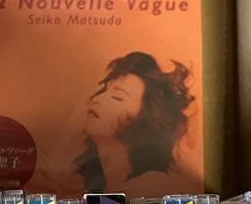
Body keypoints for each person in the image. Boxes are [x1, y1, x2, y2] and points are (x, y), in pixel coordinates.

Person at [75, 51, 195, 193]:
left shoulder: (156, 187)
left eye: (117, 98)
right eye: (103, 92)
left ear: (146, 121)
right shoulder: (93, 187)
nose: (97, 99)